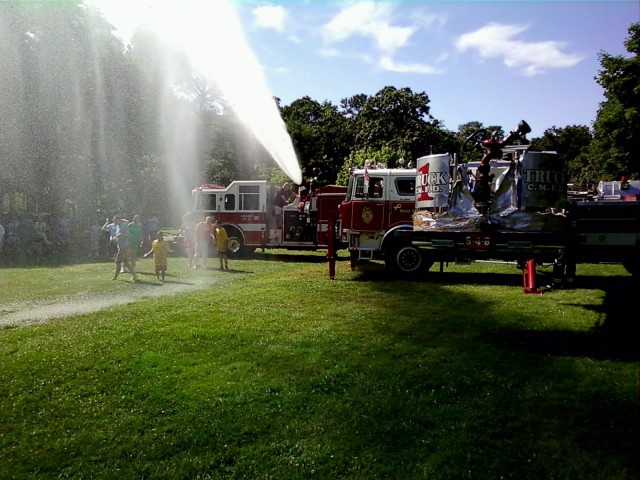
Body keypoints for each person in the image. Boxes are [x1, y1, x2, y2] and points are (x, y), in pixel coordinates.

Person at [105, 215, 137, 281]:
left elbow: (128, 235)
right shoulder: (117, 226)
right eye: (114, 220)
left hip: (124, 247)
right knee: (126, 263)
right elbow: (117, 235)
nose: (114, 222)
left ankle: (115, 277)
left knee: (118, 262)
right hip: (120, 246)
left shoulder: (124, 225)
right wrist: (115, 238)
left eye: (115, 220)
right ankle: (134, 276)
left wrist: (120, 235)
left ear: (119, 220)